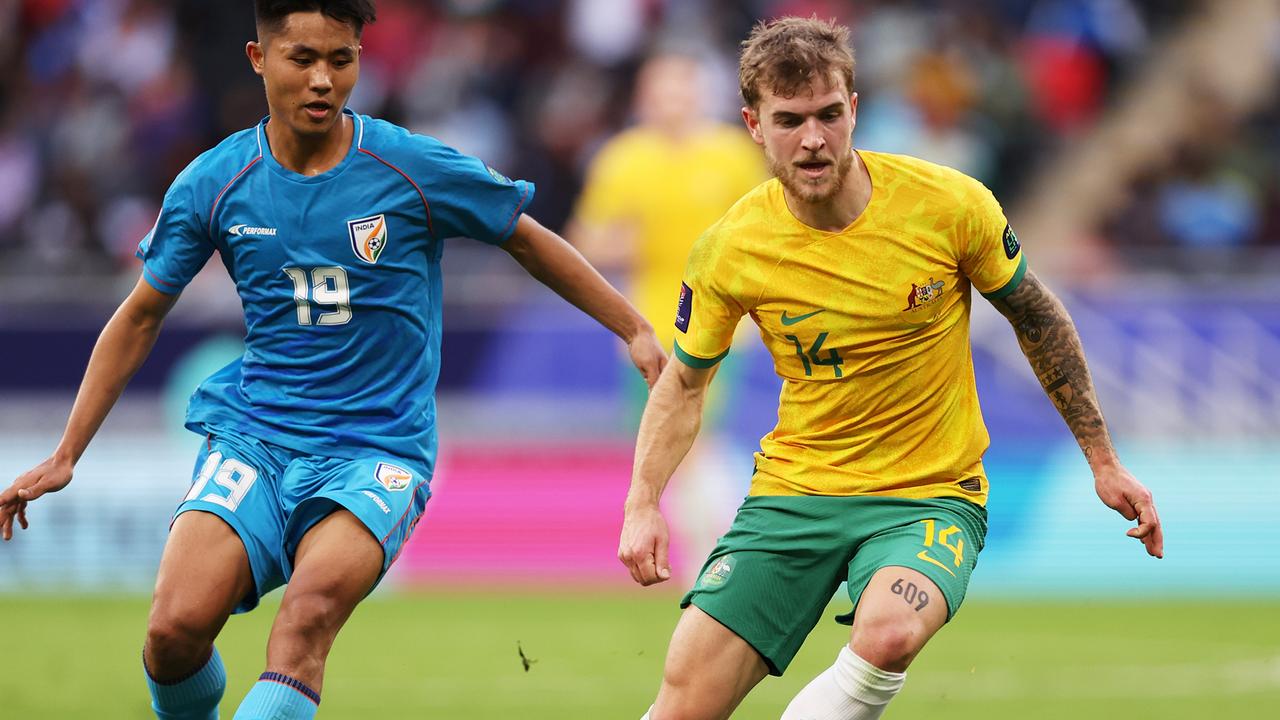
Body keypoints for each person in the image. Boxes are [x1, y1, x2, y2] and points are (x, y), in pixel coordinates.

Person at [0, 2, 664, 719]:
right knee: (172, 632)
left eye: (340, 60)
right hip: (258, 436)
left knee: (306, 619)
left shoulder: (409, 167)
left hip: (377, 449)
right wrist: (68, 453)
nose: (322, 79)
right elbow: (140, 316)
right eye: (302, 59)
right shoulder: (214, 182)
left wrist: (631, 328)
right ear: (259, 61)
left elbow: (527, 238)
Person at [617, 16, 1163, 720]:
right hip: (796, 494)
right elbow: (685, 383)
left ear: (855, 108)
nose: (812, 140)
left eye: (828, 115)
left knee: (890, 630)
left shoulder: (950, 205)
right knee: (684, 700)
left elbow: (1038, 317)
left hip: (929, 495)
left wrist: (1103, 459)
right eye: (789, 121)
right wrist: (641, 502)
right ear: (754, 124)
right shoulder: (731, 248)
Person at [568, 50, 766, 579]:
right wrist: (618, 242)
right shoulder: (622, 159)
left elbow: (767, 228)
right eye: (661, 92)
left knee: (700, 440)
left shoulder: (730, 154)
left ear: (700, 94)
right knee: (668, 452)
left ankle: (719, 558)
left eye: (682, 90)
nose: (672, 102)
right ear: (644, 99)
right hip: (648, 329)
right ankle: (712, 558)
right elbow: (583, 241)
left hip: (722, 324)